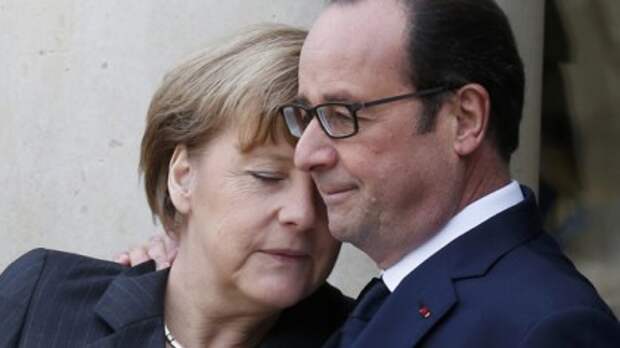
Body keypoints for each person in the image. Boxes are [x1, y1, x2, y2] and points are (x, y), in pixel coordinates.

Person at [278, 0, 620, 347]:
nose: (306, 155)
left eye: (340, 114)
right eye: (307, 115)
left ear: (465, 119)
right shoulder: (394, 293)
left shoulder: (549, 327)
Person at [0, 24, 352, 347]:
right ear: (182, 176)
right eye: (267, 177)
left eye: (327, 186)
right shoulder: (41, 297)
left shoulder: (365, 336)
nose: (303, 215)